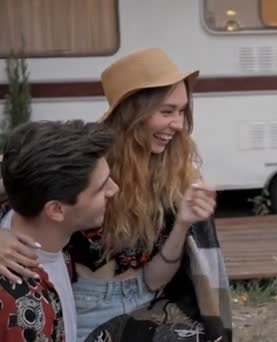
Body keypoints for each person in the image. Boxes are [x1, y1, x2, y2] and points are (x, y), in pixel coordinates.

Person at [0, 48, 229, 341]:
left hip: (147, 302)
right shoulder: (85, 159)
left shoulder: (176, 171)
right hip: (83, 306)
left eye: (183, 111)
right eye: (167, 111)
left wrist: (183, 225)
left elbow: (154, 278)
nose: (179, 124)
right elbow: (19, 180)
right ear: (133, 113)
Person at [0, 120, 118, 342]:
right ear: (56, 210)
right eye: (102, 188)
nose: (115, 189)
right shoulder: (21, 306)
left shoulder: (40, 222)